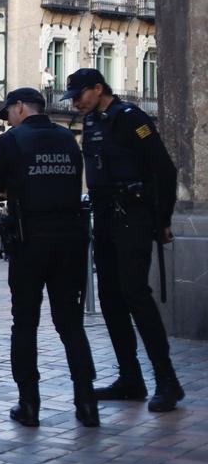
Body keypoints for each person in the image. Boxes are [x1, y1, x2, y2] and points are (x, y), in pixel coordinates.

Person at [62, 68, 183, 412]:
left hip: (133, 215)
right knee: (110, 298)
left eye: (80, 95)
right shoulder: (92, 122)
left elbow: (164, 169)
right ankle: (130, 377)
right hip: (104, 217)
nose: (76, 103)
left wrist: (162, 220)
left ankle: (167, 380)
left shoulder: (131, 118)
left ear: (98, 88)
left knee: (135, 294)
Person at [0, 87, 99, 428]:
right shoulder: (67, 139)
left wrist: (18, 189)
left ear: (20, 107)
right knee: (71, 324)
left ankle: (29, 404)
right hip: (70, 241)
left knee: (25, 323)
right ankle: (87, 403)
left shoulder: (11, 141)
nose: (9, 122)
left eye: (9, 114)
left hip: (30, 240)